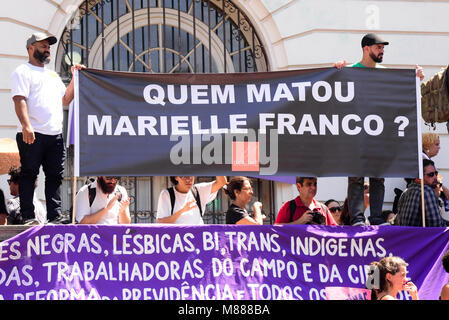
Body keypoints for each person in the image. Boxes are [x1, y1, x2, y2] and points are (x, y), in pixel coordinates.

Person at [333, 33, 424, 226]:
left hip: (378, 134)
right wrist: (337, 69)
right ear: (366, 49)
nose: (382, 51)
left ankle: (375, 219)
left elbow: (400, 92)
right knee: (356, 178)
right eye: (378, 47)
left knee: (377, 179)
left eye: (383, 48)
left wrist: (414, 78)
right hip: (355, 134)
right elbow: (334, 90)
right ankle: (357, 219)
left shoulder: (385, 73)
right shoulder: (350, 70)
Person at [10, 32, 85, 224]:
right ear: (31, 48)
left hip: (55, 134)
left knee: (55, 176)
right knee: (29, 174)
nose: (47, 49)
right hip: (32, 134)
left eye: (48, 46)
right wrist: (27, 126)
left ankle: (55, 216)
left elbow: (65, 99)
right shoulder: (22, 71)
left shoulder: (52, 75)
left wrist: (76, 76)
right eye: (43, 46)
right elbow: (19, 100)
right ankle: (28, 216)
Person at [396, 159, 447, 227]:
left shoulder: (405, 192)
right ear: (418, 178)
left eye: (436, 173)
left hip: (408, 236)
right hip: (423, 237)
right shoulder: (426, 191)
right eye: (431, 174)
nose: (435, 177)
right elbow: (436, 226)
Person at [156, 176, 227, 224]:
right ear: (176, 177)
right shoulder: (167, 194)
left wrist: (216, 161)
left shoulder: (198, 190)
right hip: (178, 241)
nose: (188, 179)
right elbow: (161, 222)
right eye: (184, 176)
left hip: (198, 240)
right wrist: (182, 211)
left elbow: (221, 182)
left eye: (191, 176)